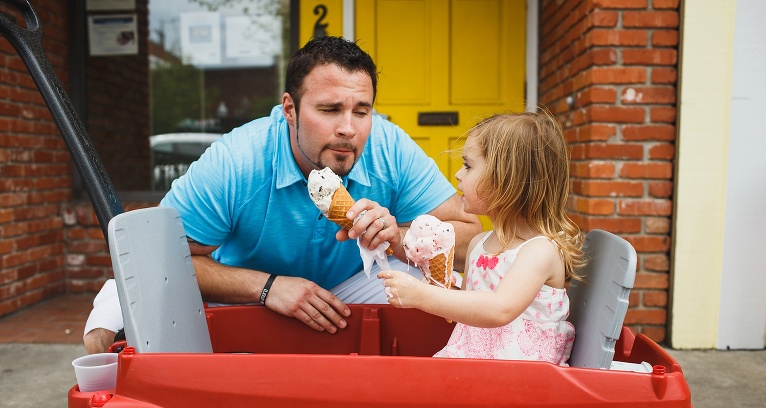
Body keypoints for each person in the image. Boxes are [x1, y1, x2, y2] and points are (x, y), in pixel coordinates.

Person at [83, 36, 481, 354]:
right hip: (243, 293)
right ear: (289, 108)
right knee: (133, 292)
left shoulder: (390, 148)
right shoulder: (237, 160)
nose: (349, 129)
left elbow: (470, 239)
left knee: (454, 285)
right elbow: (164, 259)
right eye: (329, 109)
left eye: (362, 111)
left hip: (348, 287)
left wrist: (399, 238)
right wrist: (269, 286)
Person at [379, 112, 584, 364]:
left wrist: (421, 296)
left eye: (468, 165)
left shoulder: (540, 250)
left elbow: (500, 309)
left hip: (523, 377)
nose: (457, 174)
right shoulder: (479, 244)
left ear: (507, 179)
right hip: (475, 365)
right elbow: (467, 310)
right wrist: (439, 286)